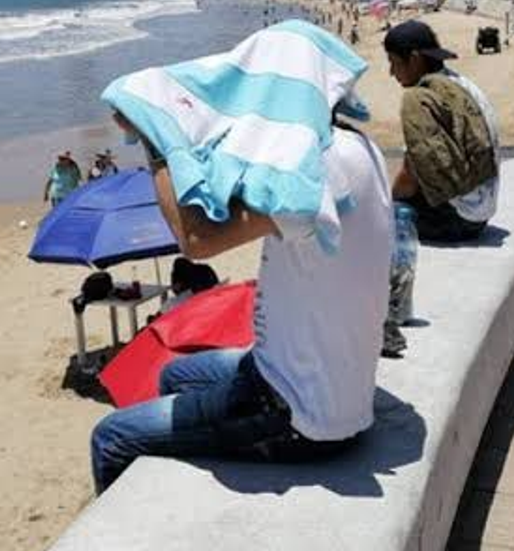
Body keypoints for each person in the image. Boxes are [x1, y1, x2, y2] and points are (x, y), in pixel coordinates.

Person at [90, 110, 393, 494]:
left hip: (292, 414)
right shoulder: (357, 147)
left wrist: (159, 142)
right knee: (173, 375)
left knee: (110, 437)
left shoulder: (306, 171)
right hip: (310, 376)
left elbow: (196, 240)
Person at [381, 20, 501, 356]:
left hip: (458, 221)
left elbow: (409, 177)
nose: (391, 73)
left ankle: (394, 309)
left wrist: (385, 206)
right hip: (484, 210)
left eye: (393, 62)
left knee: (391, 215)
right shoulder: (463, 85)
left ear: (415, 59)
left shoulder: (420, 99)